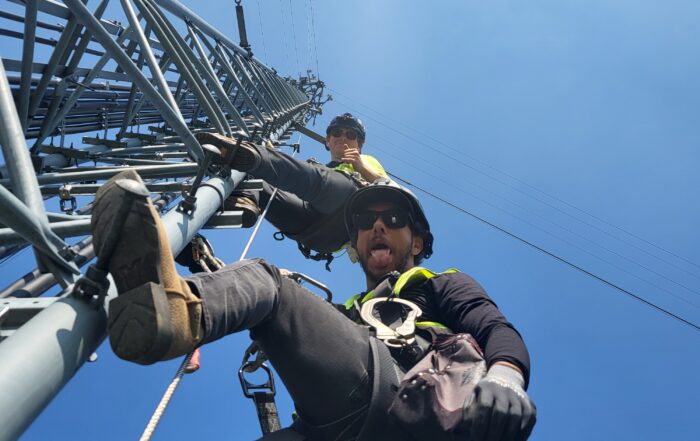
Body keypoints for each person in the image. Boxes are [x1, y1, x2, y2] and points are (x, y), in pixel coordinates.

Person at [92, 170, 536, 441]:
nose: (378, 225)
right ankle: (172, 299)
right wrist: (210, 268)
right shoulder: (349, 312)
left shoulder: (437, 281)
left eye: (394, 220)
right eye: (366, 222)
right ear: (356, 246)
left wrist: (506, 377)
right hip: (337, 423)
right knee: (270, 286)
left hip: (416, 397)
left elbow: (493, 326)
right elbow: (284, 315)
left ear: (417, 242)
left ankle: (176, 310)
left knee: (271, 282)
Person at [191, 113, 387, 264]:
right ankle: (247, 197)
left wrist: (361, 167)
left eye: (351, 135)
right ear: (328, 141)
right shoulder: (320, 169)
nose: (343, 138)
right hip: (316, 233)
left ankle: (255, 156)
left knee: (314, 178)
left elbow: (389, 189)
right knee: (255, 180)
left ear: (359, 145)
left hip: (350, 212)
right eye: (337, 133)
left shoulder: (367, 161)